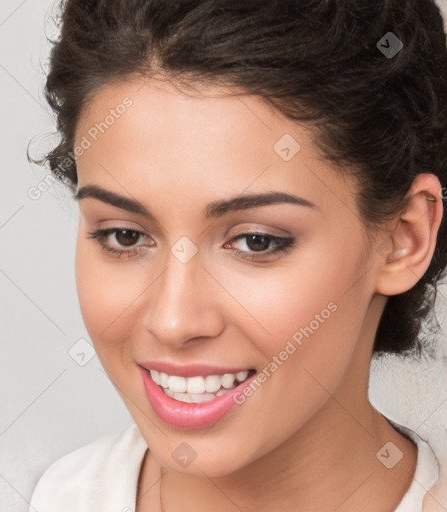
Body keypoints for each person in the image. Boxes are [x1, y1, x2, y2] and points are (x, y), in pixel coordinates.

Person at [28, 0, 447, 510]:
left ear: (405, 239)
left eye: (256, 241)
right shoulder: (60, 495)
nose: (174, 321)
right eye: (124, 236)